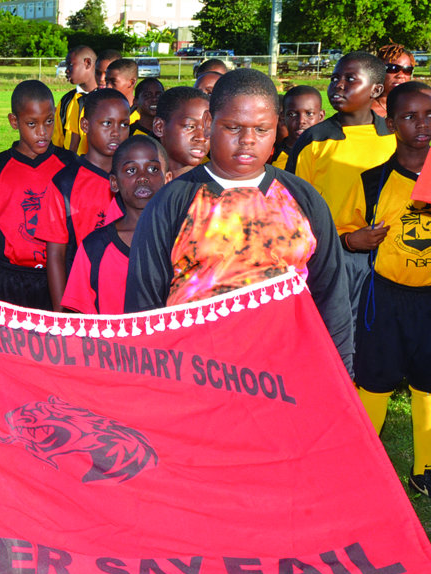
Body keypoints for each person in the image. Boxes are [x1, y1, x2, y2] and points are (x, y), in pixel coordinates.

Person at [126, 69, 353, 375]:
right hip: (196, 373)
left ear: (277, 128)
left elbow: (331, 295)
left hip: (287, 371)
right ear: (209, 124)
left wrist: (341, 373)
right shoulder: (172, 202)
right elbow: (144, 303)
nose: (247, 140)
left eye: (261, 130)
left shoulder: (302, 198)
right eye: (233, 127)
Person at [336, 81, 431, 496]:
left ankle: (424, 468)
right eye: (410, 117)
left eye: (429, 115)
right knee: (375, 379)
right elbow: (342, 233)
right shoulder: (374, 181)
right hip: (385, 298)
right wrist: (353, 240)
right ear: (390, 123)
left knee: (428, 382)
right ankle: (361, 464)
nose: (422, 125)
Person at [286, 51, 396, 326]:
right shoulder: (314, 141)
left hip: (390, 260)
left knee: (376, 337)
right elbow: (292, 213)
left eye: (350, 79)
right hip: (332, 258)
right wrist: (346, 240)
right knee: (335, 332)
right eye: (335, 78)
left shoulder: (394, 137)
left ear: (376, 89)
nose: (338, 85)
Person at [0, 80, 74, 310]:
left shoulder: (70, 166)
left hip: (59, 277)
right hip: (7, 279)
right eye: (32, 124)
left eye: (49, 121)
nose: (42, 132)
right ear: (14, 121)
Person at [35, 88, 131, 311]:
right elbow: (56, 255)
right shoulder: (65, 183)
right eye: (107, 124)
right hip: (83, 303)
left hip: (130, 301)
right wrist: (61, 316)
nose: (116, 132)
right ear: (85, 125)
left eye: (124, 124)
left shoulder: (136, 178)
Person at [61, 135, 171, 314]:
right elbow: (79, 321)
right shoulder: (94, 247)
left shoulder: (184, 241)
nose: (143, 177)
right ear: (114, 183)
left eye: (153, 169)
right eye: (131, 170)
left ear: (168, 178)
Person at [152, 86, 210, 179]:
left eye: (208, 128)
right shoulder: (143, 186)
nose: (202, 137)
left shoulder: (217, 189)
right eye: (190, 126)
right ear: (159, 127)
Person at [52, 46, 96, 153]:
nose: (66, 70)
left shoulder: (107, 99)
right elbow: (57, 139)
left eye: (70, 65)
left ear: (87, 63)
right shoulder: (66, 101)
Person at [271, 85, 324, 169]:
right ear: (283, 117)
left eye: (309, 114)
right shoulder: (273, 156)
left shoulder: (327, 151)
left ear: (321, 116)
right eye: (292, 114)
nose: (301, 121)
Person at [372, 43, 415, 118]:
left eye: (407, 70)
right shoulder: (363, 109)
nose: (400, 75)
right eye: (393, 68)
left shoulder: (418, 107)